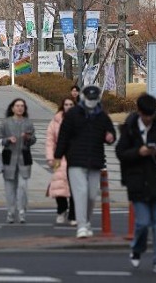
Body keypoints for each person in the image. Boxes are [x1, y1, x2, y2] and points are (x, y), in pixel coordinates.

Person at [116, 94, 156, 274]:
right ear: (140, 112)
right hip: (137, 182)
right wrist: (138, 152)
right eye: (146, 115)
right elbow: (121, 153)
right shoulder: (130, 128)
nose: (148, 119)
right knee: (142, 222)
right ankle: (137, 249)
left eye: (151, 115)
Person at [54, 85, 115, 238]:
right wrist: (57, 156)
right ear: (83, 97)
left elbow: (111, 133)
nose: (91, 102)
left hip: (95, 160)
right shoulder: (73, 114)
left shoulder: (102, 115)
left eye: (94, 99)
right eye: (89, 99)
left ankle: (86, 221)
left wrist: (110, 137)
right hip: (75, 159)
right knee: (80, 192)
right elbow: (63, 136)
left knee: (91, 195)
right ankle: (81, 225)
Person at [0, 98, 37, 224]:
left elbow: (33, 139)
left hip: (24, 158)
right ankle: (10, 211)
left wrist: (28, 138)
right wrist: (8, 139)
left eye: (22, 106)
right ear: (12, 108)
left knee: (23, 187)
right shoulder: (5, 123)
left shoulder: (28, 123)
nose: (20, 108)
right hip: (9, 158)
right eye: (17, 105)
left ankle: (22, 211)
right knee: (10, 188)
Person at [45, 98, 77, 225]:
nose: (68, 106)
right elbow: (50, 140)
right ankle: (61, 210)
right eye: (66, 104)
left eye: (71, 104)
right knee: (58, 185)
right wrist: (50, 157)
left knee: (75, 186)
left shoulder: (79, 119)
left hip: (75, 157)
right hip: (59, 157)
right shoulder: (56, 120)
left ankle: (73, 215)